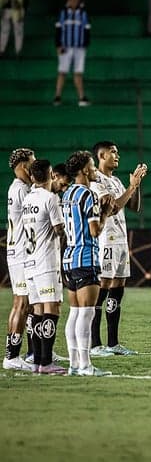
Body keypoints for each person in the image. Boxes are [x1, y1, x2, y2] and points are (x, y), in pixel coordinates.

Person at [88, 142, 147, 357]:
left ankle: (113, 343)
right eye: (113, 152)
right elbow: (111, 209)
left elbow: (134, 207)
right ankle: (95, 344)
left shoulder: (116, 180)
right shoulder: (96, 181)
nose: (117, 155)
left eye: (117, 152)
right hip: (106, 239)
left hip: (121, 240)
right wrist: (131, 188)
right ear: (101, 156)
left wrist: (136, 185)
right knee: (102, 289)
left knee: (118, 288)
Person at [61, 150, 116, 376]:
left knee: (74, 312)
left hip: (69, 258)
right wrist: (105, 212)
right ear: (84, 170)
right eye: (92, 166)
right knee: (87, 313)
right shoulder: (88, 194)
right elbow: (95, 231)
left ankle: (75, 364)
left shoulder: (67, 194)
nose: (94, 170)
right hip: (86, 257)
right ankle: (85, 365)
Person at [21, 160, 67, 374]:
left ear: (32, 177)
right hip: (46, 262)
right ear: (51, 174)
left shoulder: (27, 199)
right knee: (52, 309)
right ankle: (46, 361)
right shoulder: (50, 199)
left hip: (29, 263)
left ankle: (37, 360)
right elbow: (59, 230)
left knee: (38, 310)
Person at [3, 148, 37, 372]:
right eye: (32, 164)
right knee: (21, 304)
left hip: (20, 253)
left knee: (31, 304)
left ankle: (35, 352)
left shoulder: (19, 188)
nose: (34, 168)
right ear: (24, 166)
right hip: (21, 255)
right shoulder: (21, 190)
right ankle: (11, 356)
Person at [53, 0, 91, 107]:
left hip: (79, 48)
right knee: (62, 72)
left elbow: (87, 30)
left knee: (78, 73)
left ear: (78, 1)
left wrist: (85, 45)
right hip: (65, 47)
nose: (73, 1)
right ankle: (57, 97)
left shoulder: (83, 13)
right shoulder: (63, 13)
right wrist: (58, 45)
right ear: (68, 1)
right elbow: (58, 30)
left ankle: (81, 98)